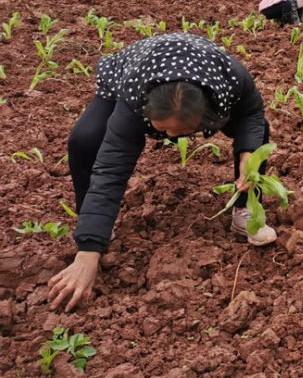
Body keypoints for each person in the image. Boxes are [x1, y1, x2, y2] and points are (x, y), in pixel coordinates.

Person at [47, 33, 275, 313]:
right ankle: (91, 226)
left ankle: (245, 211)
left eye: (181, 131)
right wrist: (88, 251)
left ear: (206, 114)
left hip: (203, 78)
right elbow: (111, 169)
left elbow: (252, 113)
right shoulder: (132, 98)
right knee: (85, 139)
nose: (170, 137)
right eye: (163, 129)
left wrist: (249, 155)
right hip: (130, 72)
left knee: (259, 132)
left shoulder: (230, 79)